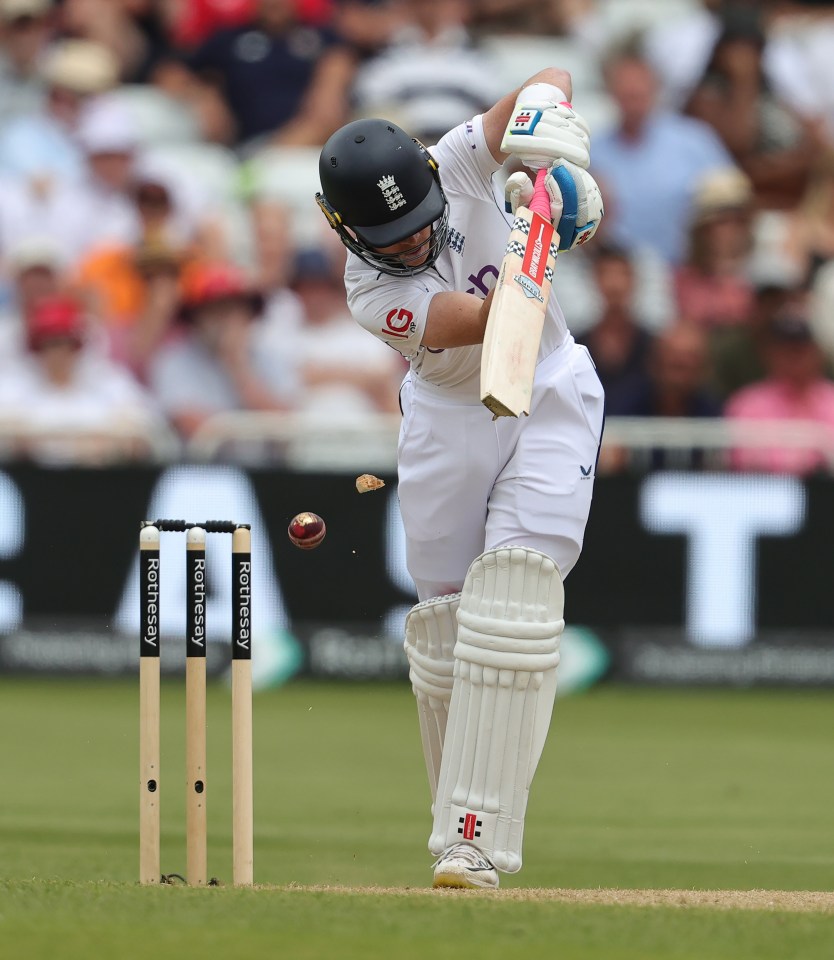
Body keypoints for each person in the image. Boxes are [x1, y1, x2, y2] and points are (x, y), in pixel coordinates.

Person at [316, 68, 604, 888]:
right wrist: (541, 233)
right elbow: (479, 319)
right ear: (346, 230)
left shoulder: (459, 161)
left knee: (519, 590)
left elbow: (546, 79)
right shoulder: (370, 289)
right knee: (445, 623)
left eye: (416, 223)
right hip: (449, 417)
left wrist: (547, 142)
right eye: (390, 235)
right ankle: (456, 824)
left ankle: (475, 842)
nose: (411, 243)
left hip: (548, 385)